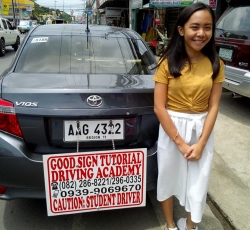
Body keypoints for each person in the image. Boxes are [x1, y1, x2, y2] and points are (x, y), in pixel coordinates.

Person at [153, 3, 225, 230]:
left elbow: (213, 107)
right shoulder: (166, 63)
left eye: (207, 27)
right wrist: (181, 143)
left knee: (198, 181)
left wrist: (201, 143)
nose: (201, 33)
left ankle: (190, 227)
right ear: (181, 30)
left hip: (201, 130)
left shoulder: (216, 64)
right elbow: (159, 107)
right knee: (168, 177)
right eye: (195, 27)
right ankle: (170, 225)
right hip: (172, 130)